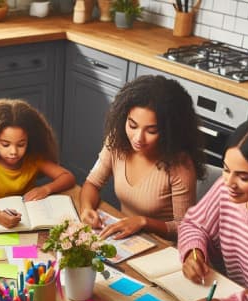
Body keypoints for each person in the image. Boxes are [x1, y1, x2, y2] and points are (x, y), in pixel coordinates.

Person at [179, 116, 248, 301]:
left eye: (243, 177)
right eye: (226, 169)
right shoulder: (226, 192)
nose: (229, 183)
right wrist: (193, 253)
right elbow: (194, 224)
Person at [80, 75, 204, 241]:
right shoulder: (117, 141)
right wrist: (86, 208)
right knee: (41, 253)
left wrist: (144, 222)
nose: (138, 138)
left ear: (169, 131)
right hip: (125, 240)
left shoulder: (180, 165)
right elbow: (92, 184)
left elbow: (185, 229)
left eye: (151, 131)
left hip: (162, 250)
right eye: (132, 125)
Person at [0, 99, 75, 228]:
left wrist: (46, 189)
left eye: (21, 144)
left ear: (30, 141)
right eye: (5, 145)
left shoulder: (33, 159)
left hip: (28, 223)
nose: (14, 152)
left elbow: (68, 177)